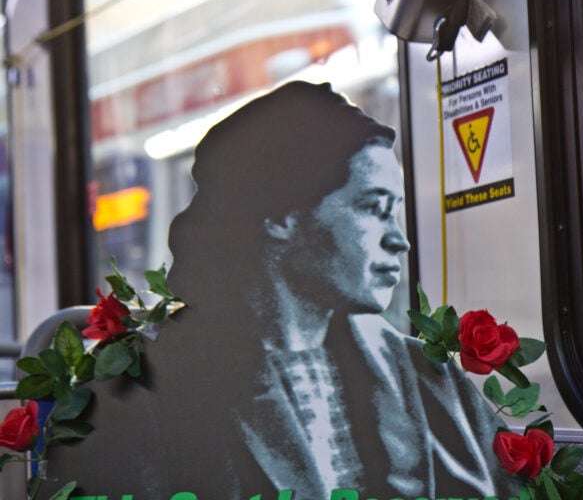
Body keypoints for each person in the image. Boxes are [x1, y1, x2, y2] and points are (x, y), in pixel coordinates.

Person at [41, 81, 520, 500]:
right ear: (282, 214)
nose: (400, 239)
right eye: (374, 208)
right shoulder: (136, 395)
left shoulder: (427, 379)